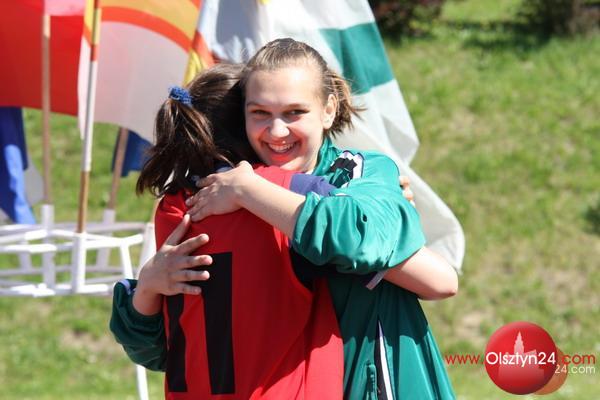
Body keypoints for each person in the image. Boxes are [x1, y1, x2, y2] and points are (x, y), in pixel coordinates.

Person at [112, 40, 457, 399]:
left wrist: (249, 190)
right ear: (242, 118)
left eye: (294, 112)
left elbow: (439, 280)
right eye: (260, 112)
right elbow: (166, 352)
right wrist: (148, 285)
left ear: (328, 110)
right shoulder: (213, 206)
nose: (277, 131)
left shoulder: (356, 175)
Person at [112, 63, 345, 399]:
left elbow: (153, 346)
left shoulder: (172, 208)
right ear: (245, 126)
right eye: (260, 114)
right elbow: (364, 233)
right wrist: (388, 197)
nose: (276, 131)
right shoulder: (287, 190)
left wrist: (145, 287)